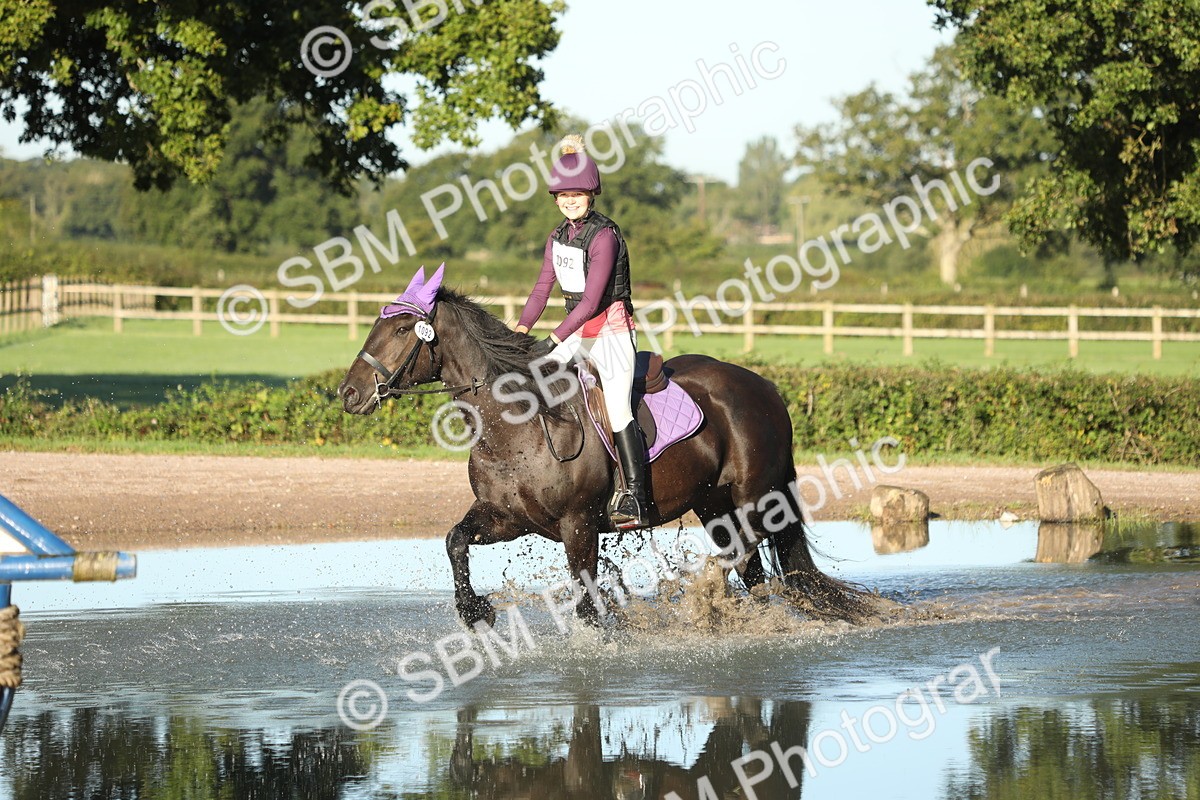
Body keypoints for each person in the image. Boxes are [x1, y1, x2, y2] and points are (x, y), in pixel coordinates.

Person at [515, 134, 648, 529]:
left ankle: (635, 496)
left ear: (591, 195)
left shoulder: (605, 236)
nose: (570, 200)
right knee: (531, 381)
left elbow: (592, 303)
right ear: (555, 199)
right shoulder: (556, 237)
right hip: (577, 332)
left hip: (611, 332)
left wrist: (554, 339)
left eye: (578, 193)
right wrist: (522, 330)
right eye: (563, 195)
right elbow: (542, 288)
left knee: (619, 408)